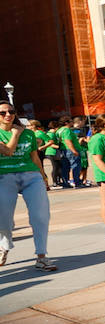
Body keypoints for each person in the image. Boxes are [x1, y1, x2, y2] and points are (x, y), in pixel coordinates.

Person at [0, 103, 57, 271]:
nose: (8, 115)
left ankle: (42, 256)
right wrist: (16, 133)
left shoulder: (29, 134)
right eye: (2, 112)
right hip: (4, 177)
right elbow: (7, 151)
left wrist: (43, 176)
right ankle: (4, 246)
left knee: (40, 215)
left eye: (11, 111)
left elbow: (34, 157)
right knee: (4, 219)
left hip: (31, 176)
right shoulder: (18, 132)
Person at [57, 115, 86, 188]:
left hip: (63, 150)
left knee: (65, 167)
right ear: (66, 123)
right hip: (70, 150)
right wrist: (74, 151)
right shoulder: (67, 130)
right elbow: (68, 141)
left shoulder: (59, 130)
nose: (72, 122)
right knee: (76, 166)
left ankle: (65, 183)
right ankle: (77, 182)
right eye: (71, 121)